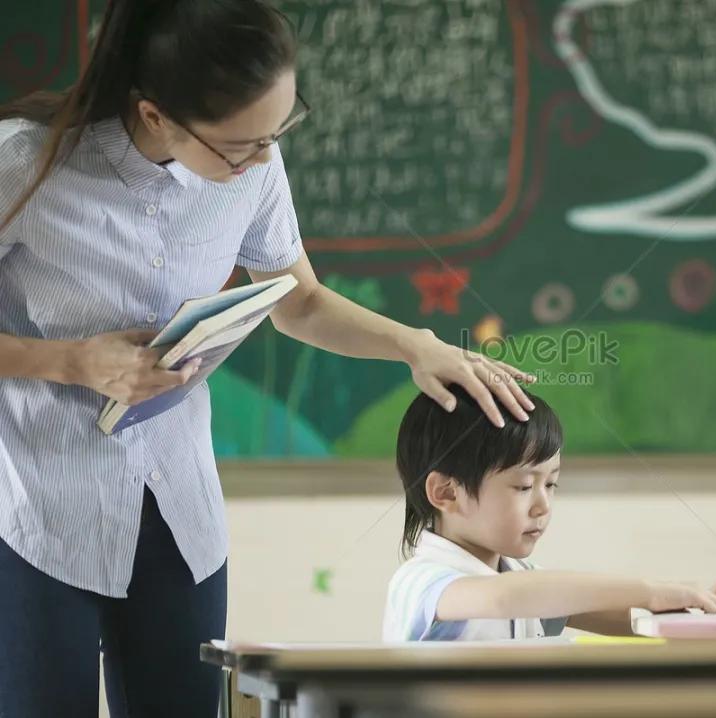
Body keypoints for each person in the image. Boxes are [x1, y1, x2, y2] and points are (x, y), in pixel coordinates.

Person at [0, 1, 533, 714]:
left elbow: (298, 301)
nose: (260, 158)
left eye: (277, 132)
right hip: (39, 511)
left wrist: (415, 345)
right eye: (238, 147)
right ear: (155, 115)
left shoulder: (254, 163)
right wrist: (73, 364)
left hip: (179, 511)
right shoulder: (24, 163)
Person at [383, 385, 716, 642]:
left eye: (550, 484)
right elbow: (506, 599)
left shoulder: (518, 578)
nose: (543, 505)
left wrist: (705, 607)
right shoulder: (421, 581)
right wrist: (652, 590)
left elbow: (628, 619)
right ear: (446, 492)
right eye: (523, 486)